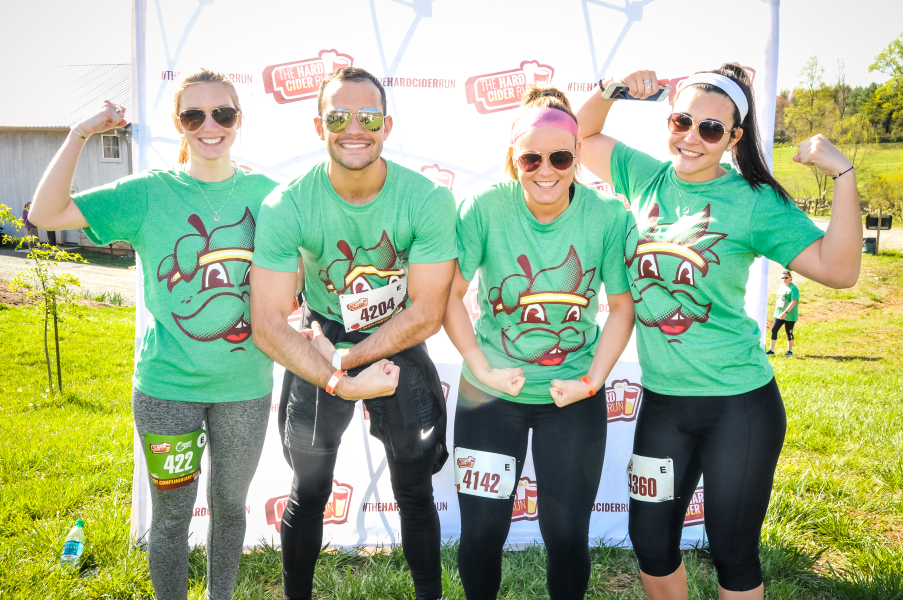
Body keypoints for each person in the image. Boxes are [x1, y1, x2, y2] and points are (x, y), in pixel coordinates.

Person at [27, 68, 394, 600]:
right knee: (172, 517)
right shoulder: (149, 193)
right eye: (193, 115)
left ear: (238, 119)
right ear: (179, 125)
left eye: (221, 113)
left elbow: (314, 271)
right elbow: (44, 212)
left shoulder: (270, 196)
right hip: (166, 388)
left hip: (244, 389)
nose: (209, 125)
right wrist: (81, 134)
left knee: (229, 509)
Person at [576, 64, 861, 599]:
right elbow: (581, 135)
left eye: (710, 129)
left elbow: (840, 270)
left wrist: (842, 175)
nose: (691, 137)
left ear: (732, 139)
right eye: (682, 122)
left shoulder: (752, 202)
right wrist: (611, 88)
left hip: (739, 407)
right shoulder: (645, 177)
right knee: (651, 541)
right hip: (664, 404)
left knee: (732, 550)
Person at [250, 66, 455, 600]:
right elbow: (269, 324)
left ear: (387, 124)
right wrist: (336, 369)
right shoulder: (289, 204)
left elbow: (428, 311)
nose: (354, 128)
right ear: (320, 125)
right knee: (311, 488)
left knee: (413, 488)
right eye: (338, 116)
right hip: (322, 334)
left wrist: (348, 359)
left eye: (368, 116)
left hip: (396, 334)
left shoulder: (427, 199)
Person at [444, 85, 635, 600]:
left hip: (571, 399)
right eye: (531, 157)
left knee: (568, 535)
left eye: (560, 157)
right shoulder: (484, 207)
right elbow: (450, 296)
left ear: (578, 156)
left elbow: (621, 307)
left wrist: (592, 382)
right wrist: (482, 370)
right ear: (513, 158)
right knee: (482, 533)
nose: (545, 169)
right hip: (489, 396)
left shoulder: (608, 216)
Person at [768, 271, 799, 357]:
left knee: (789, 332)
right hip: (779, 312)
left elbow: (793, 302)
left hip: (790, 314)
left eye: (786, 278)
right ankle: (771, 350)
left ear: (791, 278)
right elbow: (779, 298)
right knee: (774, 329)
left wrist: (785, 312)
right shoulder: (781, 287)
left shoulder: (794, 288)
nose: (784, 279)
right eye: (782, 278)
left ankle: (789, 351)